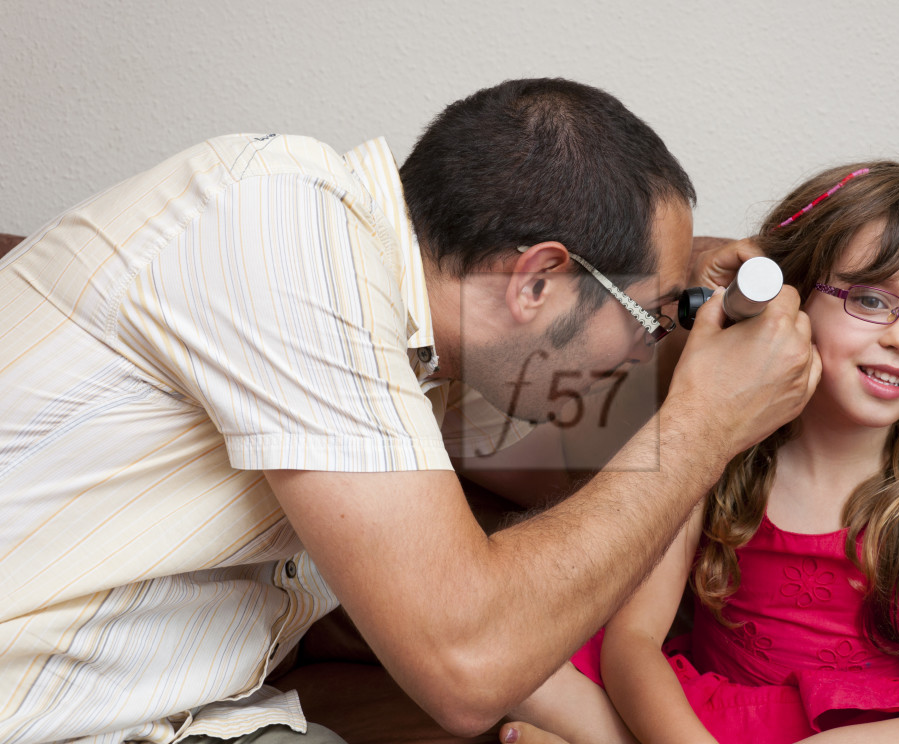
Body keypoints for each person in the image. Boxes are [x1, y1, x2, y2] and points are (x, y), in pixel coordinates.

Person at [0, 78, 819, 743]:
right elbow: (468, 664)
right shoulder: (282, 229)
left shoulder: (428, 351)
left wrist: (682, 295)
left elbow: (580, 467)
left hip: (198, 721)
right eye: (646, 322)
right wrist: (707, 425)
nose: (647, 354)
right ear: (535, 281)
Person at [524, 161, 899, 743]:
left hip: (866, 733)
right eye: (872, 301)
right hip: (707, 725)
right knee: (524, 664)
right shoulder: (715, 457)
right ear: (790, 298)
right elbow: (633, 641)